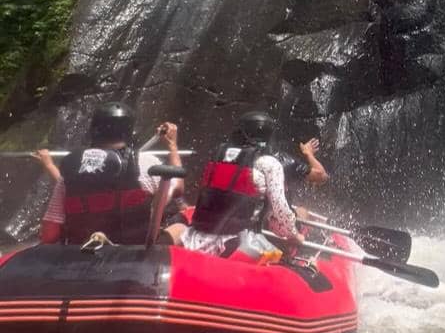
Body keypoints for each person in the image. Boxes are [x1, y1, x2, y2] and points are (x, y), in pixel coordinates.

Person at [38, 102, 184, 245]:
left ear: (94, 129)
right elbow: (177, 188)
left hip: (82, 252)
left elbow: (49, 235)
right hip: (135, 252)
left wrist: (50, 165)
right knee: (181, 228)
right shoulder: (146, 163)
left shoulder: (70, 169)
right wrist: (172, 145)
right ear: (129, 131)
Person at [176, 110, 305, 260]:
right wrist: (293, 235)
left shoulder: (218, 154)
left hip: (194, 236)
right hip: (238, 243)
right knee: (284, 257)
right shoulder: (269, 163)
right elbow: (280, 209)